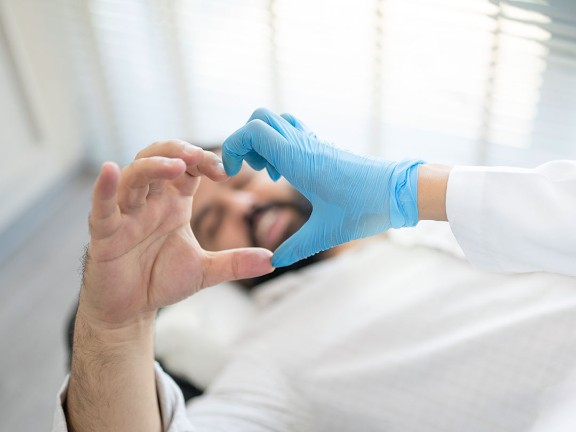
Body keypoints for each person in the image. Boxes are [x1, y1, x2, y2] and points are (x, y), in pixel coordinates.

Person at [54, 109, 576, 432]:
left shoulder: (428, 213)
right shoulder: (274, 361)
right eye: (213, 224)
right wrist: (115, 324)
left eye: (240, 185)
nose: (242, 210)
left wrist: (411, 190)